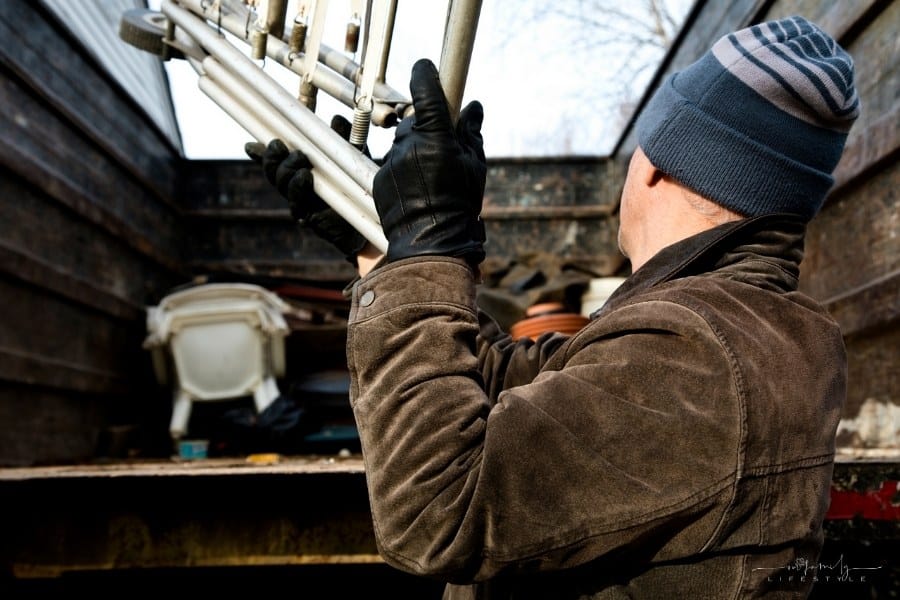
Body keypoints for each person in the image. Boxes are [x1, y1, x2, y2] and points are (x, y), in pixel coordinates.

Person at [247, 15, 859, 598]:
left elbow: (435, 511)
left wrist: (426, 253)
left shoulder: (705, 356)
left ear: (657, 167)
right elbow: (497, 387)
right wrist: (382, 252)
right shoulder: (722, 328)